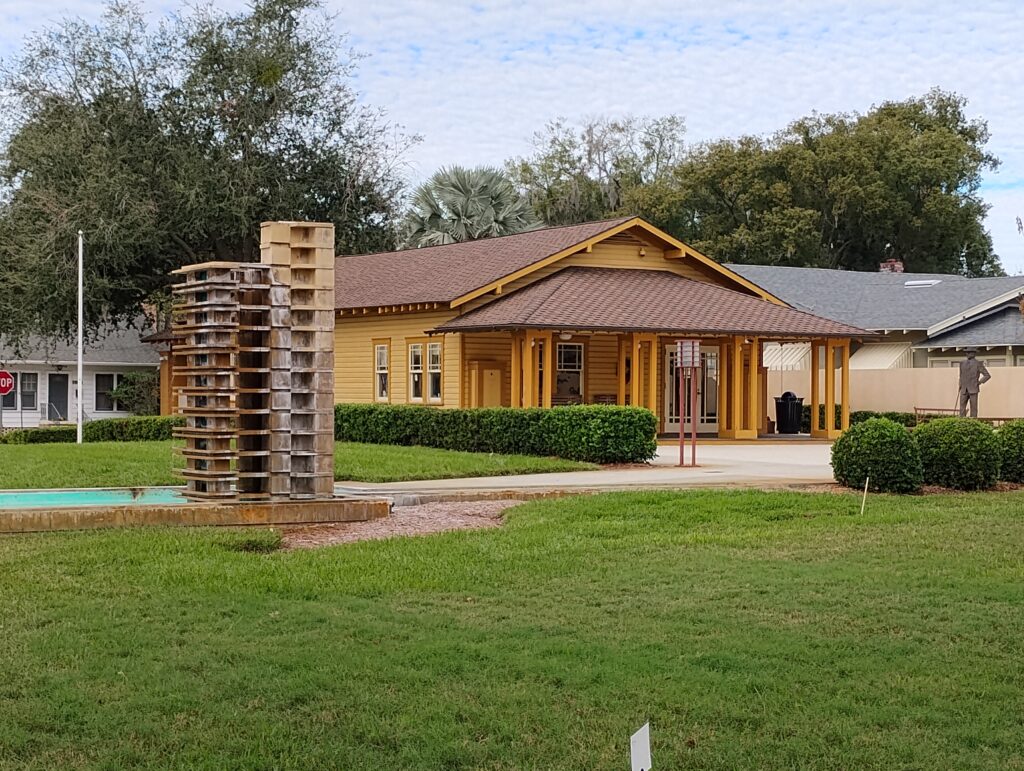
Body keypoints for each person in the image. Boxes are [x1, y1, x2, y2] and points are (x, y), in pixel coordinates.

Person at [958, 348, 991, 418]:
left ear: (973, 354)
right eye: (966, 353)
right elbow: (961, 375)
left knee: (973, 407)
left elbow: (987, 375)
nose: (967, 354)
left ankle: (973, 421)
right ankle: (961, 421)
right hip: (964, 389)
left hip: (973, 388)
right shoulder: (962, 363)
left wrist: (979, 382)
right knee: (962, 406)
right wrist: (960, 384)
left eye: (968, 352)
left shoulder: (978, 364)